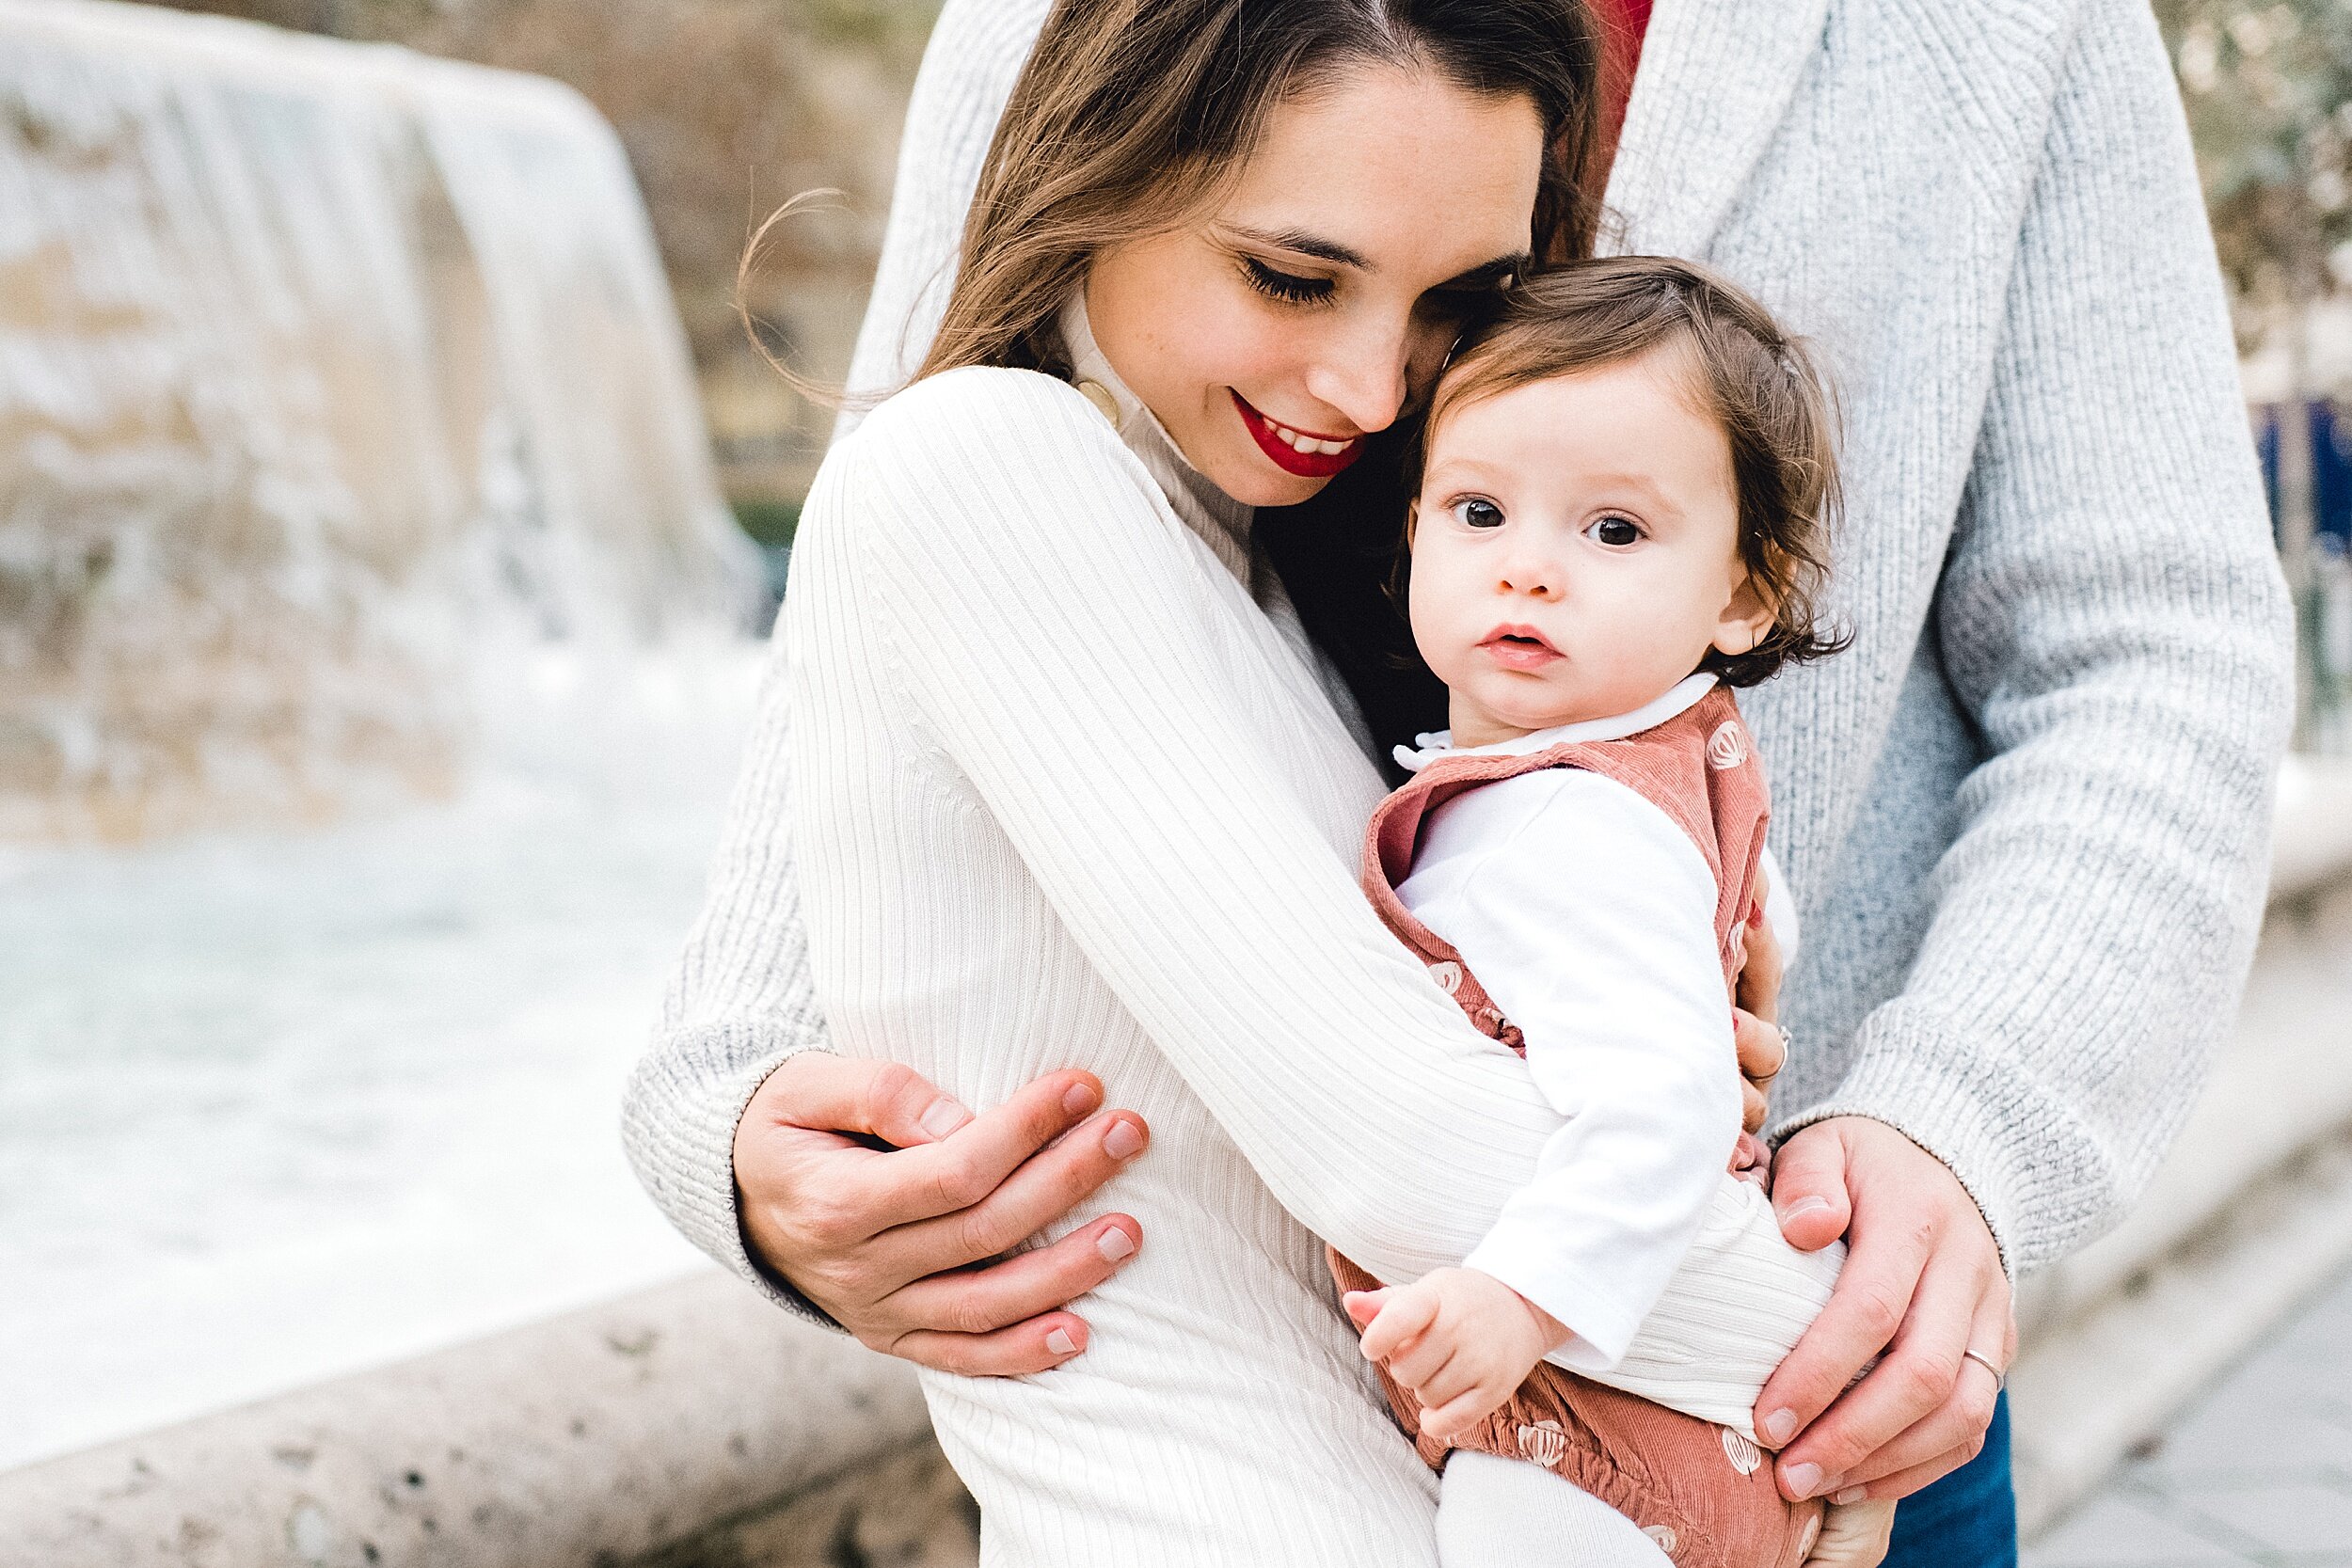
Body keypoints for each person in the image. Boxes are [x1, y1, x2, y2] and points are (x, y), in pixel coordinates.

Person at [622, 1, 2294, 1562]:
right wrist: (741, 1110)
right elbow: (910, 543)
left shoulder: (2005, 28)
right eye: (1291, 277)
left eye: (1455, 312)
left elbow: (2151, 645)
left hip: (1843, 1344)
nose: (1373, 396)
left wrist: (1957, 1118)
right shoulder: (1053, 49)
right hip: (1342, 1365)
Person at [1332, 257, 1894, 1568]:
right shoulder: (1650, 774)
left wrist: (1521, 1297)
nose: (1528, 569)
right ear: (1413, 527)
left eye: (1614, 532)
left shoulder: (1575, 822)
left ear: (1743, 594)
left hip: (1610, 1421)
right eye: (1479, 511)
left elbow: (1669, 1102)